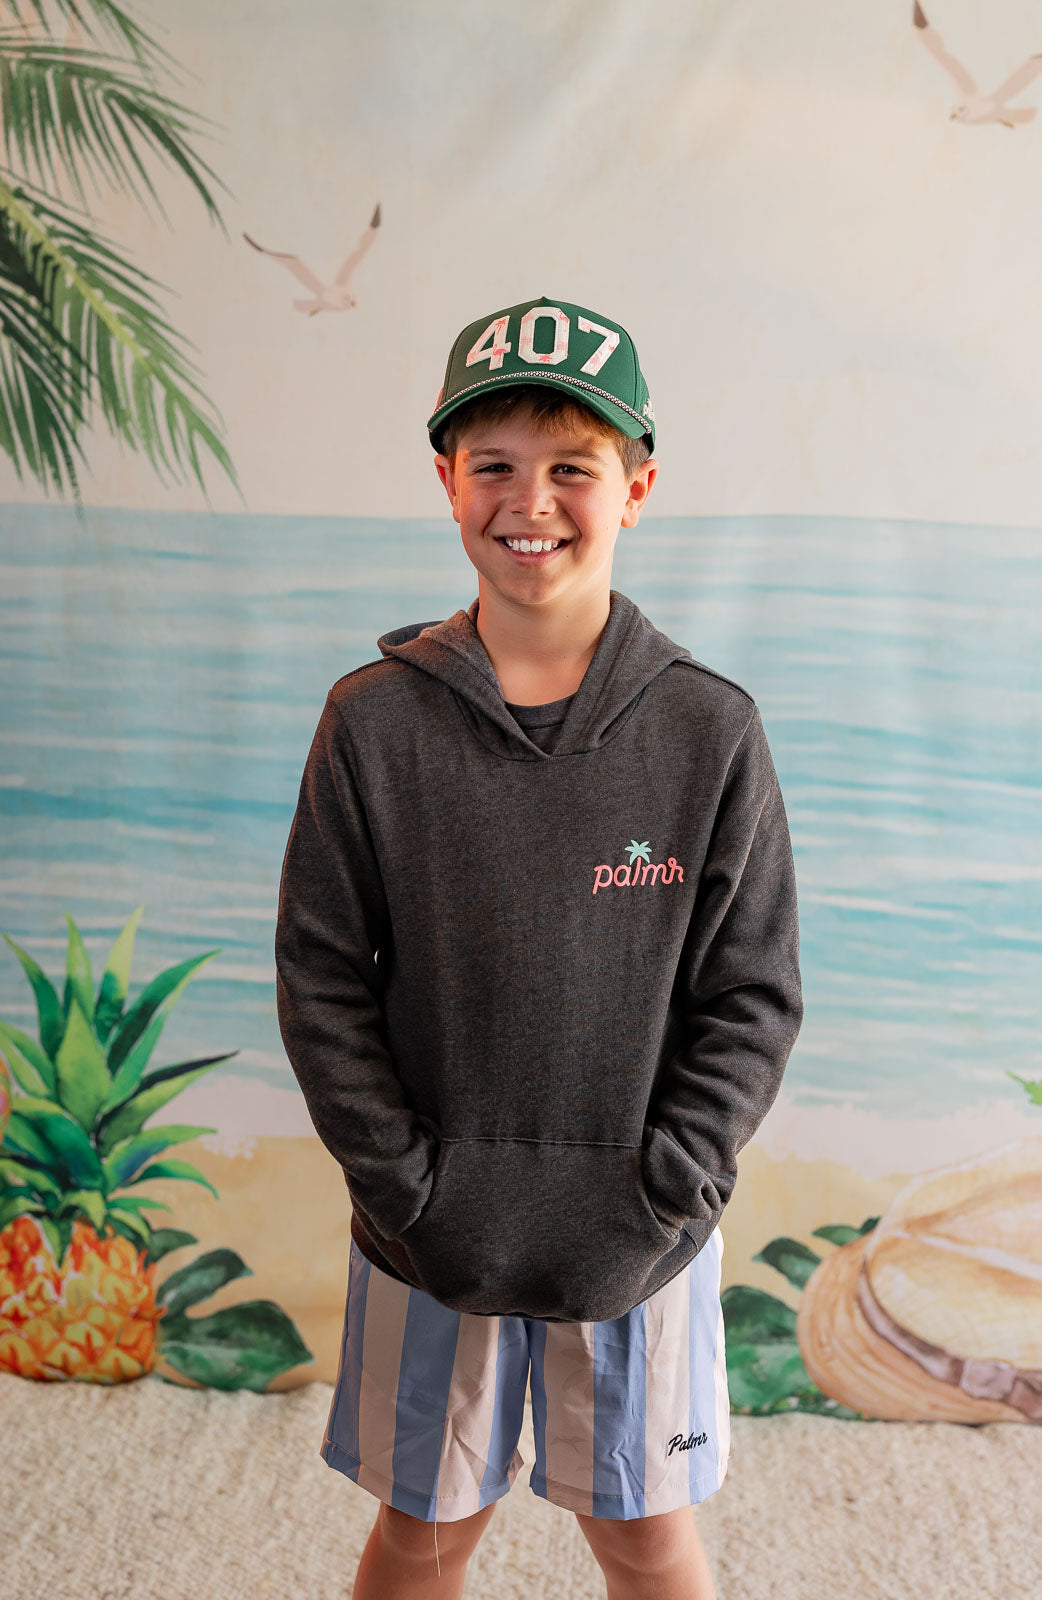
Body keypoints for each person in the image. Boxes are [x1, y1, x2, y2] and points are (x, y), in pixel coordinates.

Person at [275, 294, 804, 1600]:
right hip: (425, 1234)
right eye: (496, 464)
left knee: (645, 1537)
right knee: (423, 1533)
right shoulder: (373, 724)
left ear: (639, 485)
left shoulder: (708, 731)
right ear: (447, 478)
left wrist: (663, 1197)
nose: (534, 502)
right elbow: (323, 980)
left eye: (575, 466)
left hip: (640, 1243)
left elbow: (750, 999)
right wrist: (409, 1192)